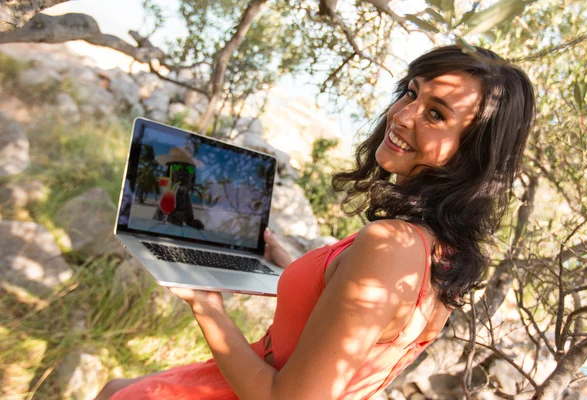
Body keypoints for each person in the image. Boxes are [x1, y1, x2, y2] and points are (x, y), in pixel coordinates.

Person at [95, 44, 535, 400]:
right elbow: (361, 330)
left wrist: (206, 306)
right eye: (411, 92)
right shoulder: (439, 253)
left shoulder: (393, 244)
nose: (402, 115)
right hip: (238, 378)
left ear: (471, 153)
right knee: (116, 387)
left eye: (436, 114)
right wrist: (296, 268)